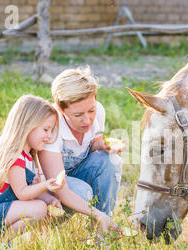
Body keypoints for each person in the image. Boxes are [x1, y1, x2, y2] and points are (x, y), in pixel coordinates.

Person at [0, 95, 65, 239]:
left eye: (51, 130)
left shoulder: (28, 156)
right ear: (28, 126)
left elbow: (32, 188)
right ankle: (1, 243)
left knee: (41, 205)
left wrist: (50, 200)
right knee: (38, 209)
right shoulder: (14, 155)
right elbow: (23, 193)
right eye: (46, 129)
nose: (49, 136)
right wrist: (46, 185)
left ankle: (3, 241)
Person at [38, 66, 124, 234]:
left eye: (91, 111)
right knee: (82, 192)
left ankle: (102, 230)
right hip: (50, 183)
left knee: (110, 161)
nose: (87, 120)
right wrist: (95, 213)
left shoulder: (98, 110)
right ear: (61, 109)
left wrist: (103, 145)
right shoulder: (51, 126)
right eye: (78, 115)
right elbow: (58, 185)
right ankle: (42, 229)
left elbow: (92, 144)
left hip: (76, 171)